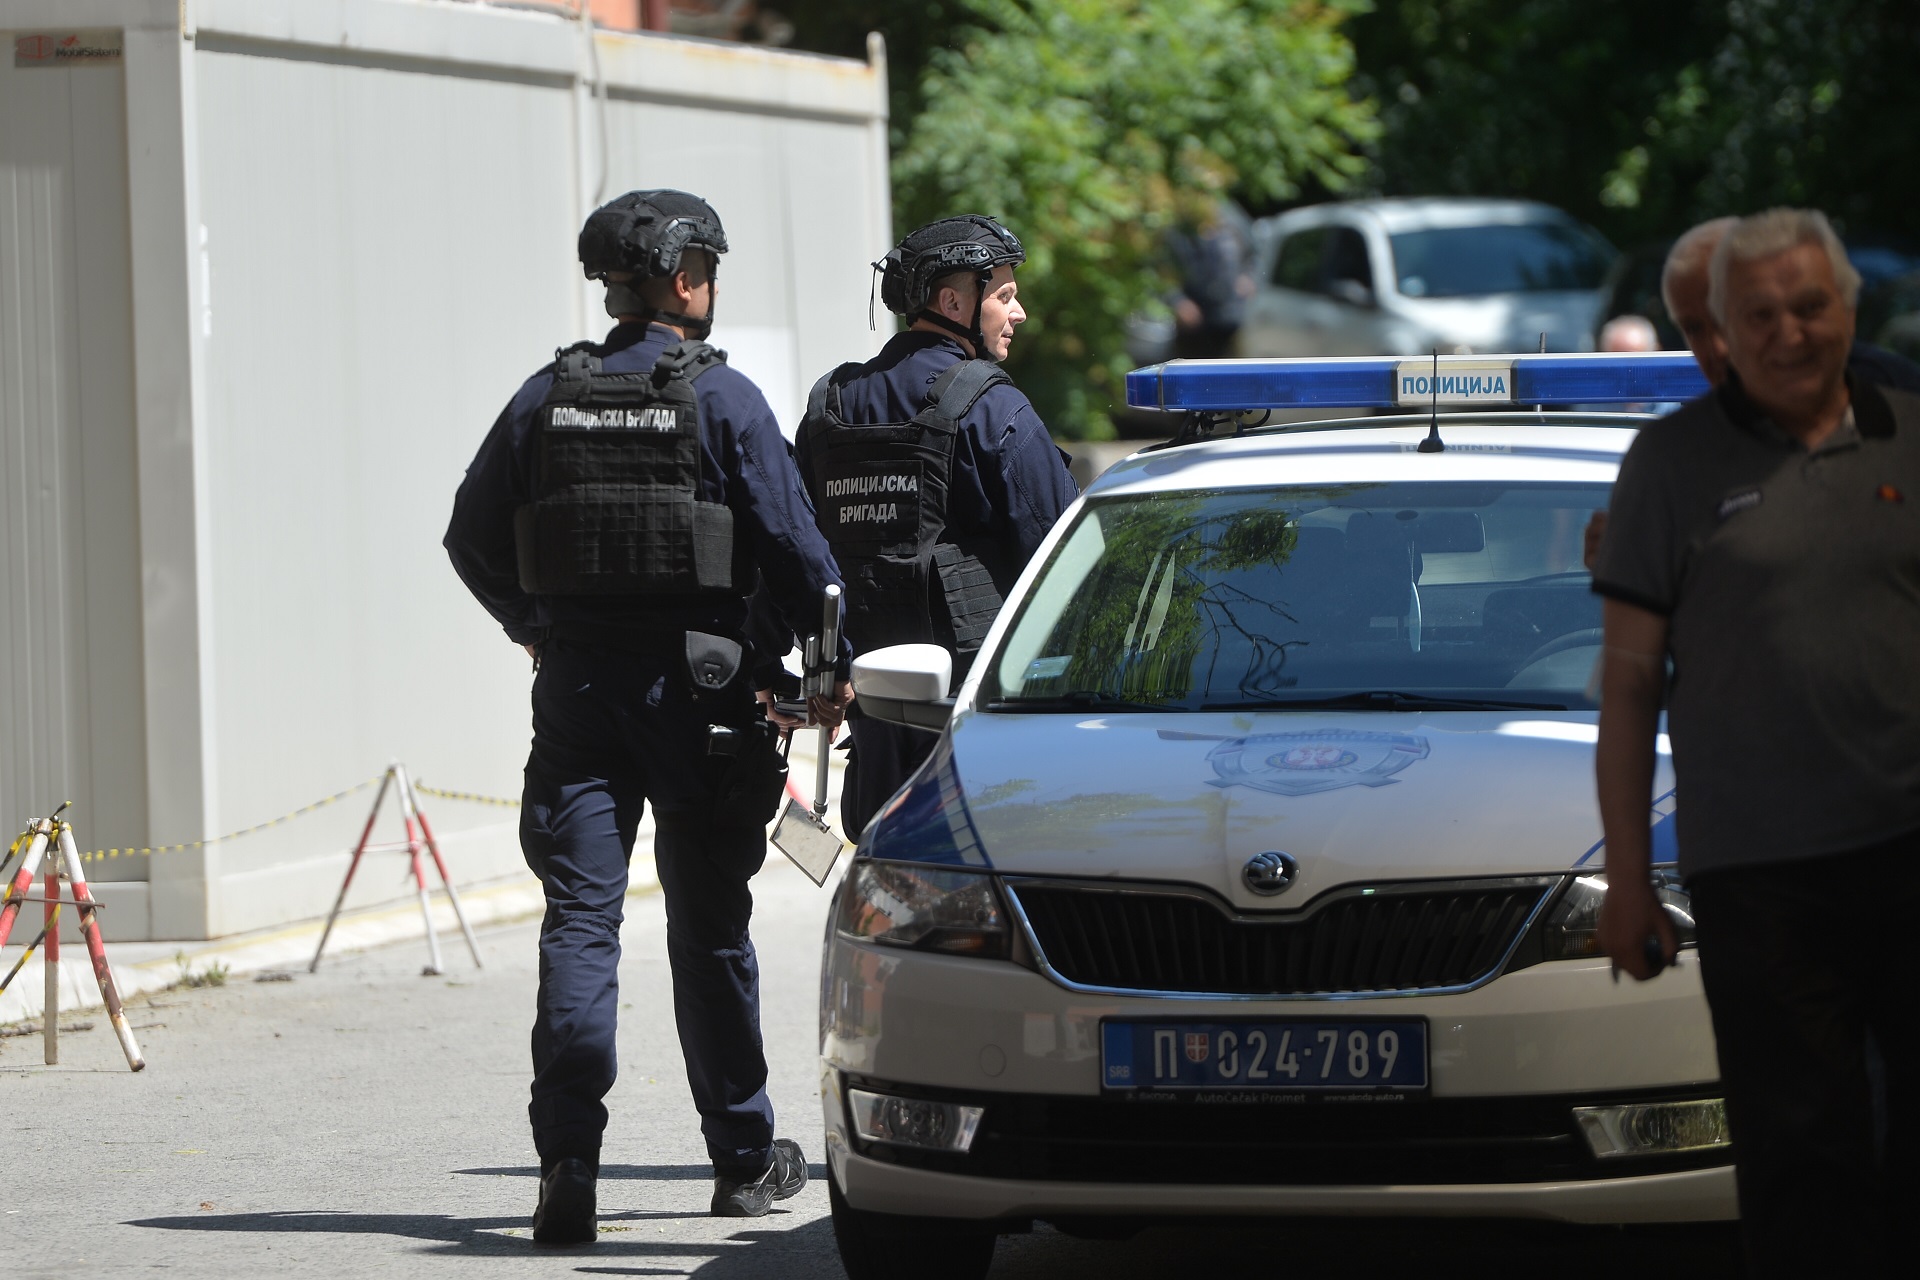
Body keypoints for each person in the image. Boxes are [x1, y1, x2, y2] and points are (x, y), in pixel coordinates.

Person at [444, 189, 851, 1243]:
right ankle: (744, 1161)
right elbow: (803, 558)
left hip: (578, 694)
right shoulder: (725, 402)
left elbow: (469, 536)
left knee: (580, 923)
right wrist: (827, 667)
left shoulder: (547, 394)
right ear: (682, 276)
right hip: (703, 698)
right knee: (707, 928)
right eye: (707, 265)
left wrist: (535, 624)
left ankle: (567, 1165)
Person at [1591, 208, 1920, 1277]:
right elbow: (1628, 684)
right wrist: (1629, 883)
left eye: (1808, 307)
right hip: (1759, 871)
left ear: (1850, 310)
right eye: (1748, 317)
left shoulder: (1910, 426)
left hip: (1907, 843)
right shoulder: (1670, 461)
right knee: (1800, 1160)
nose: (1784, 334)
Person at [793, 215, 1079, 838]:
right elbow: (1067, 555)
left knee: (892, 869)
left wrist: (808, 671)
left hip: (870, 706)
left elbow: (793, 547)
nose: (1019, 312)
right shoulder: (991, 404)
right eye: (1005, 295)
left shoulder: (830, 403)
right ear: (953, 302)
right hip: (973, 716)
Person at [1165, 196, 1256, 360]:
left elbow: (1255, 253)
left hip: (1232, 316)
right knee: (1191, 369)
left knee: (1232, 369)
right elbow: (1162, 271)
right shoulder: (1176, 224)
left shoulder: (1231, 215)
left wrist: (1248, 276)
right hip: (1194, 321)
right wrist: (1178, 301)